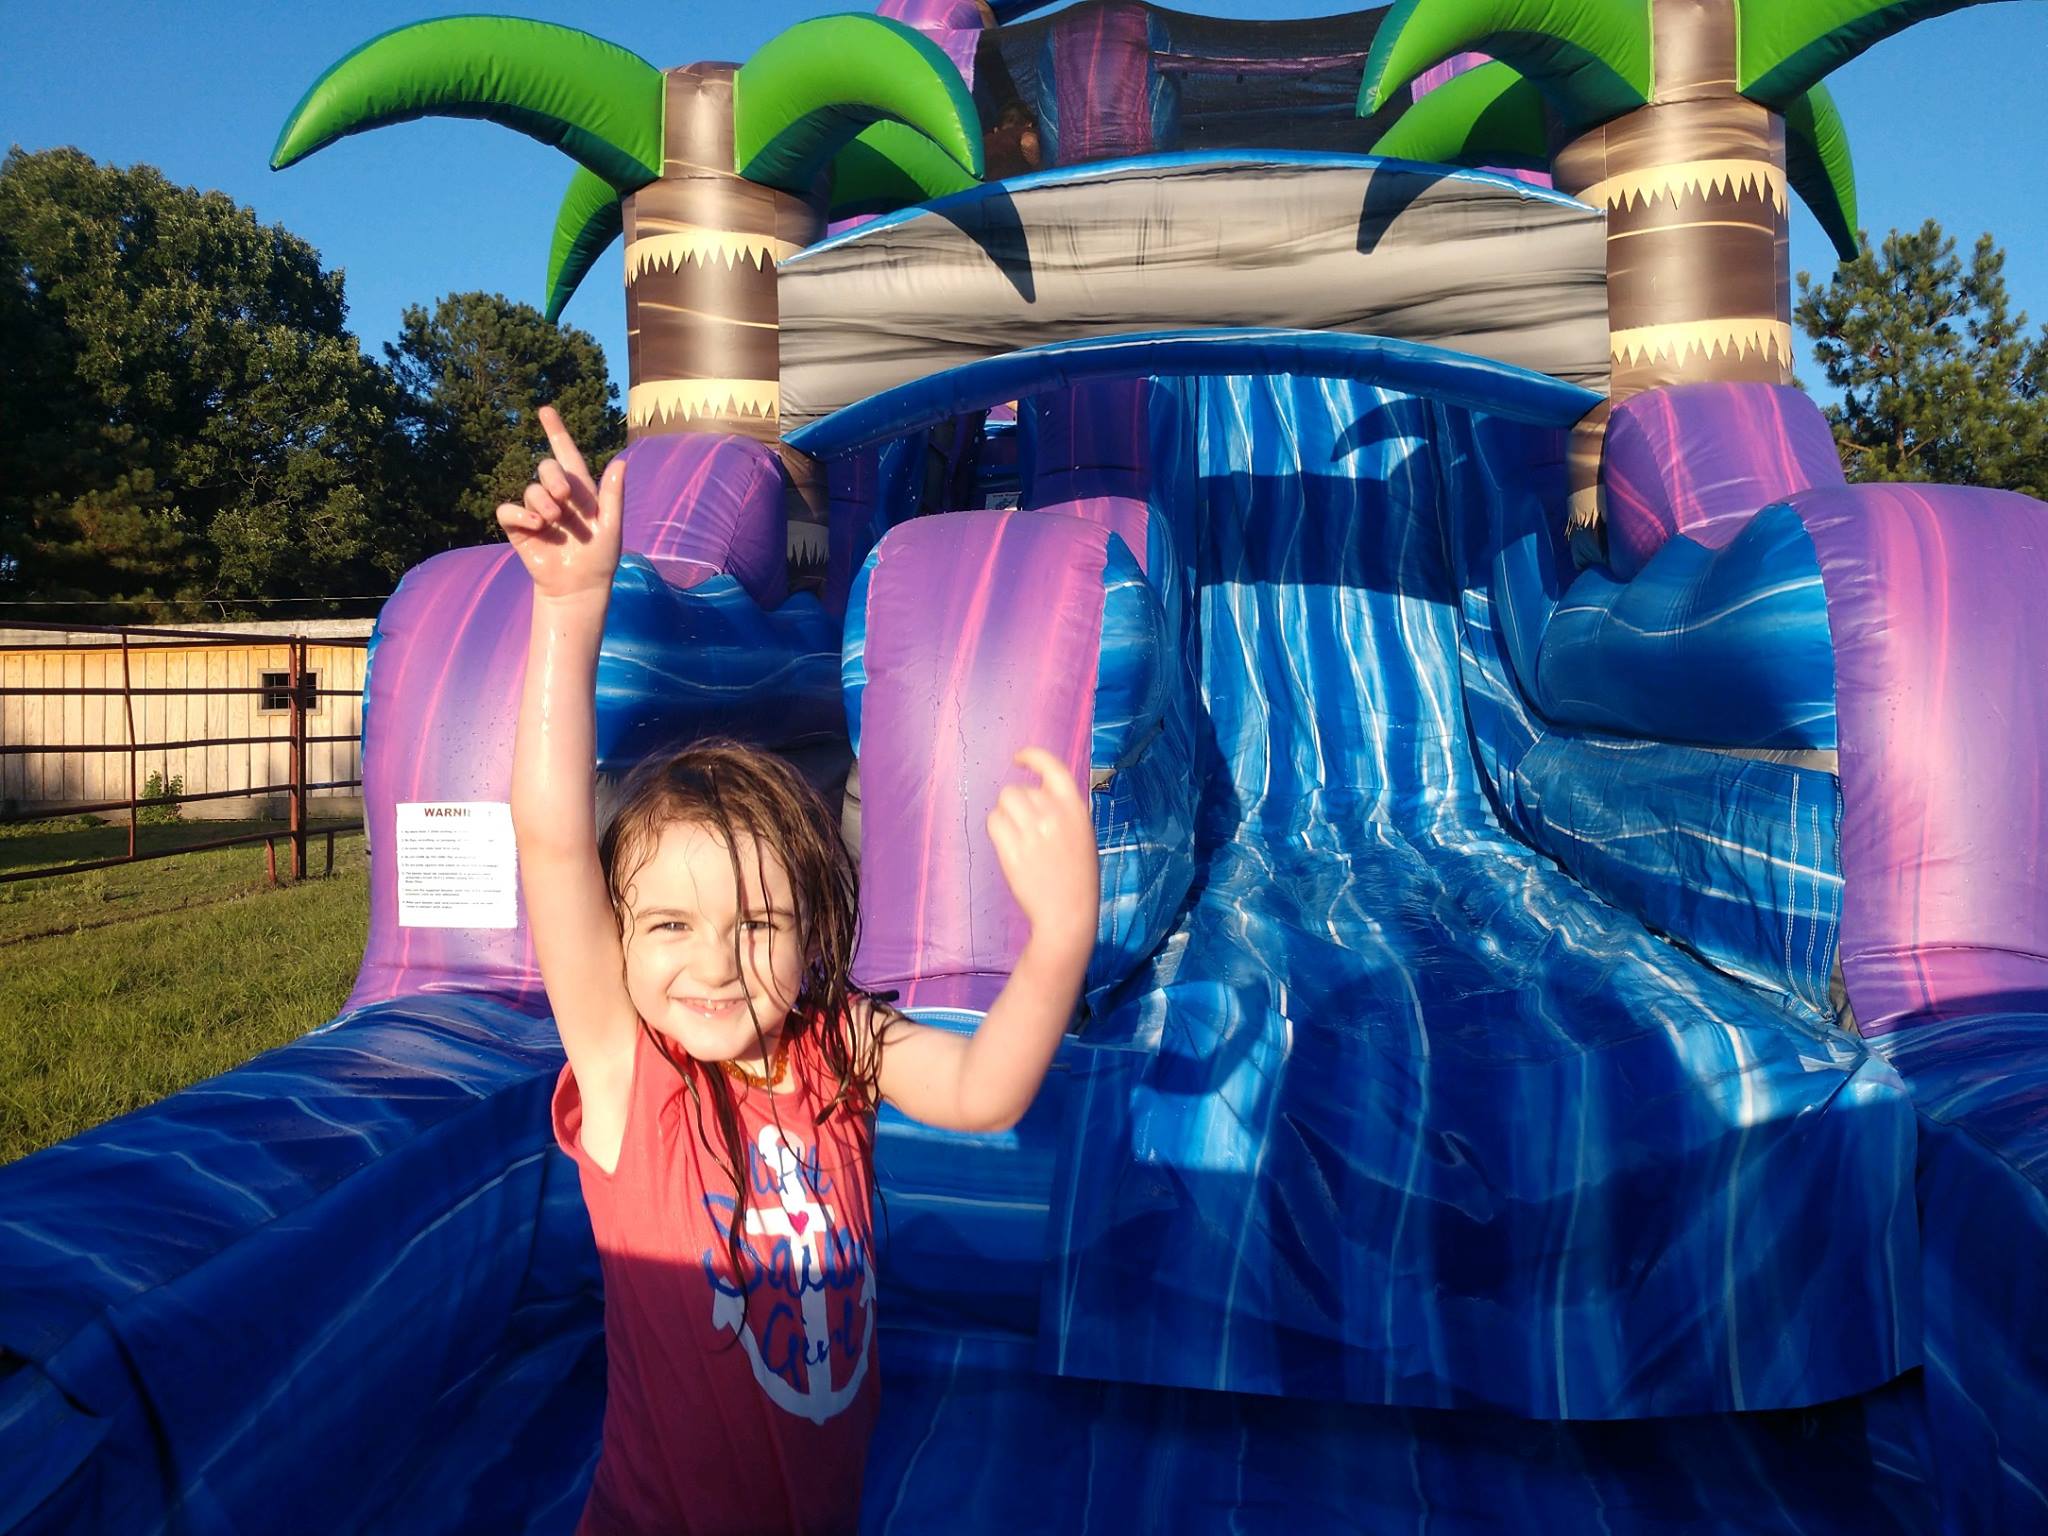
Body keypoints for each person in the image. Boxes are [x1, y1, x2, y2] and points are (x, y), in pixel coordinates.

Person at [499, 408, 1099, 1536]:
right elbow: (545, 835)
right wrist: (571, 610)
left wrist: (1058, 939)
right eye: (669, 924)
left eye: (760, 923)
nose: (715, 965)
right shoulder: (635, 1079)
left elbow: (984, 1092)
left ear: (820, 936)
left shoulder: (840, 1045)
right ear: (617, 938)